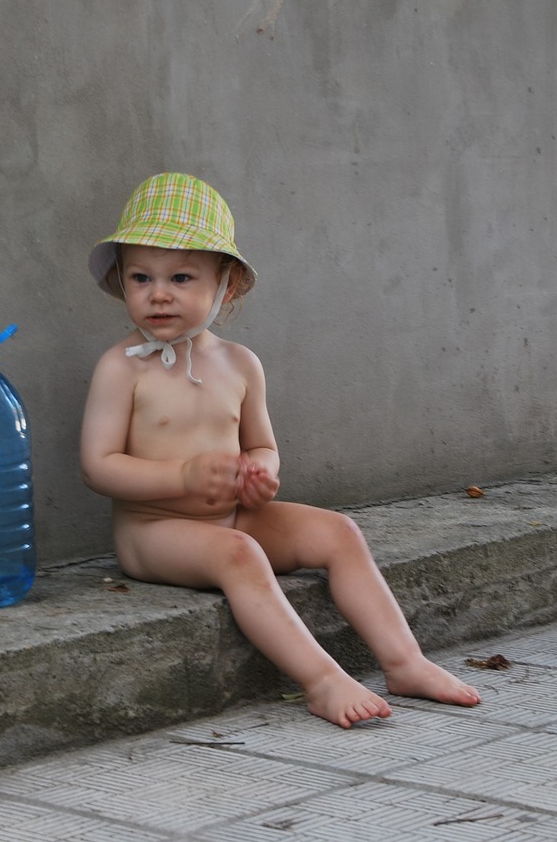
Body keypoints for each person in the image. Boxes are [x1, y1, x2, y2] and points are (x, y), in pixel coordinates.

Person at [79, 172, 481, 729]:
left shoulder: (241, 364)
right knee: (239, 555)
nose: (159, 292)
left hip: (233, 512)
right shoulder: (120, 368)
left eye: (182, 277)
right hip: (153, 531)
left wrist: (260, 473)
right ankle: (321, 681)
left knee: (340, 532)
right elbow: (99, 467)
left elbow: (262, 444)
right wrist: (184, 476)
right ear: (121, 282)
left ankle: (405, 661)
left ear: (228, 285)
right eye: (140, 277)